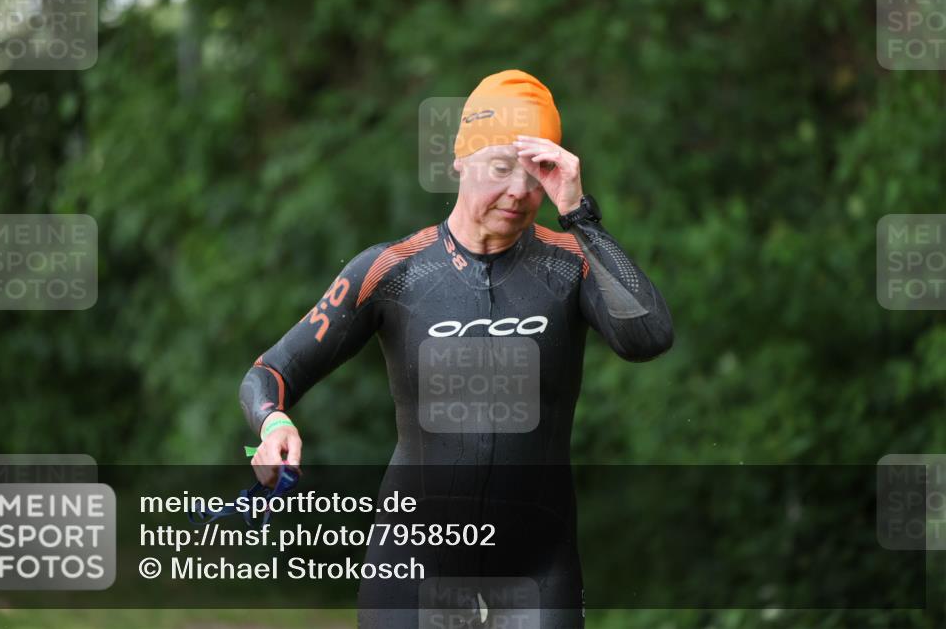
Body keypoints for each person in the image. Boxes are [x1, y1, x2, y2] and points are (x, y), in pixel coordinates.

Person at [239, 70, 673, 628]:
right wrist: (273, 424)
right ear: (458, 161)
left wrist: (581, 215)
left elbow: (649, 337)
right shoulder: (392, 271)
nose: (519, 192)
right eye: (500, 168)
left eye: (537, 173)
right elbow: (270, 372)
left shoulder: (572, 263)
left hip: (538, 570)